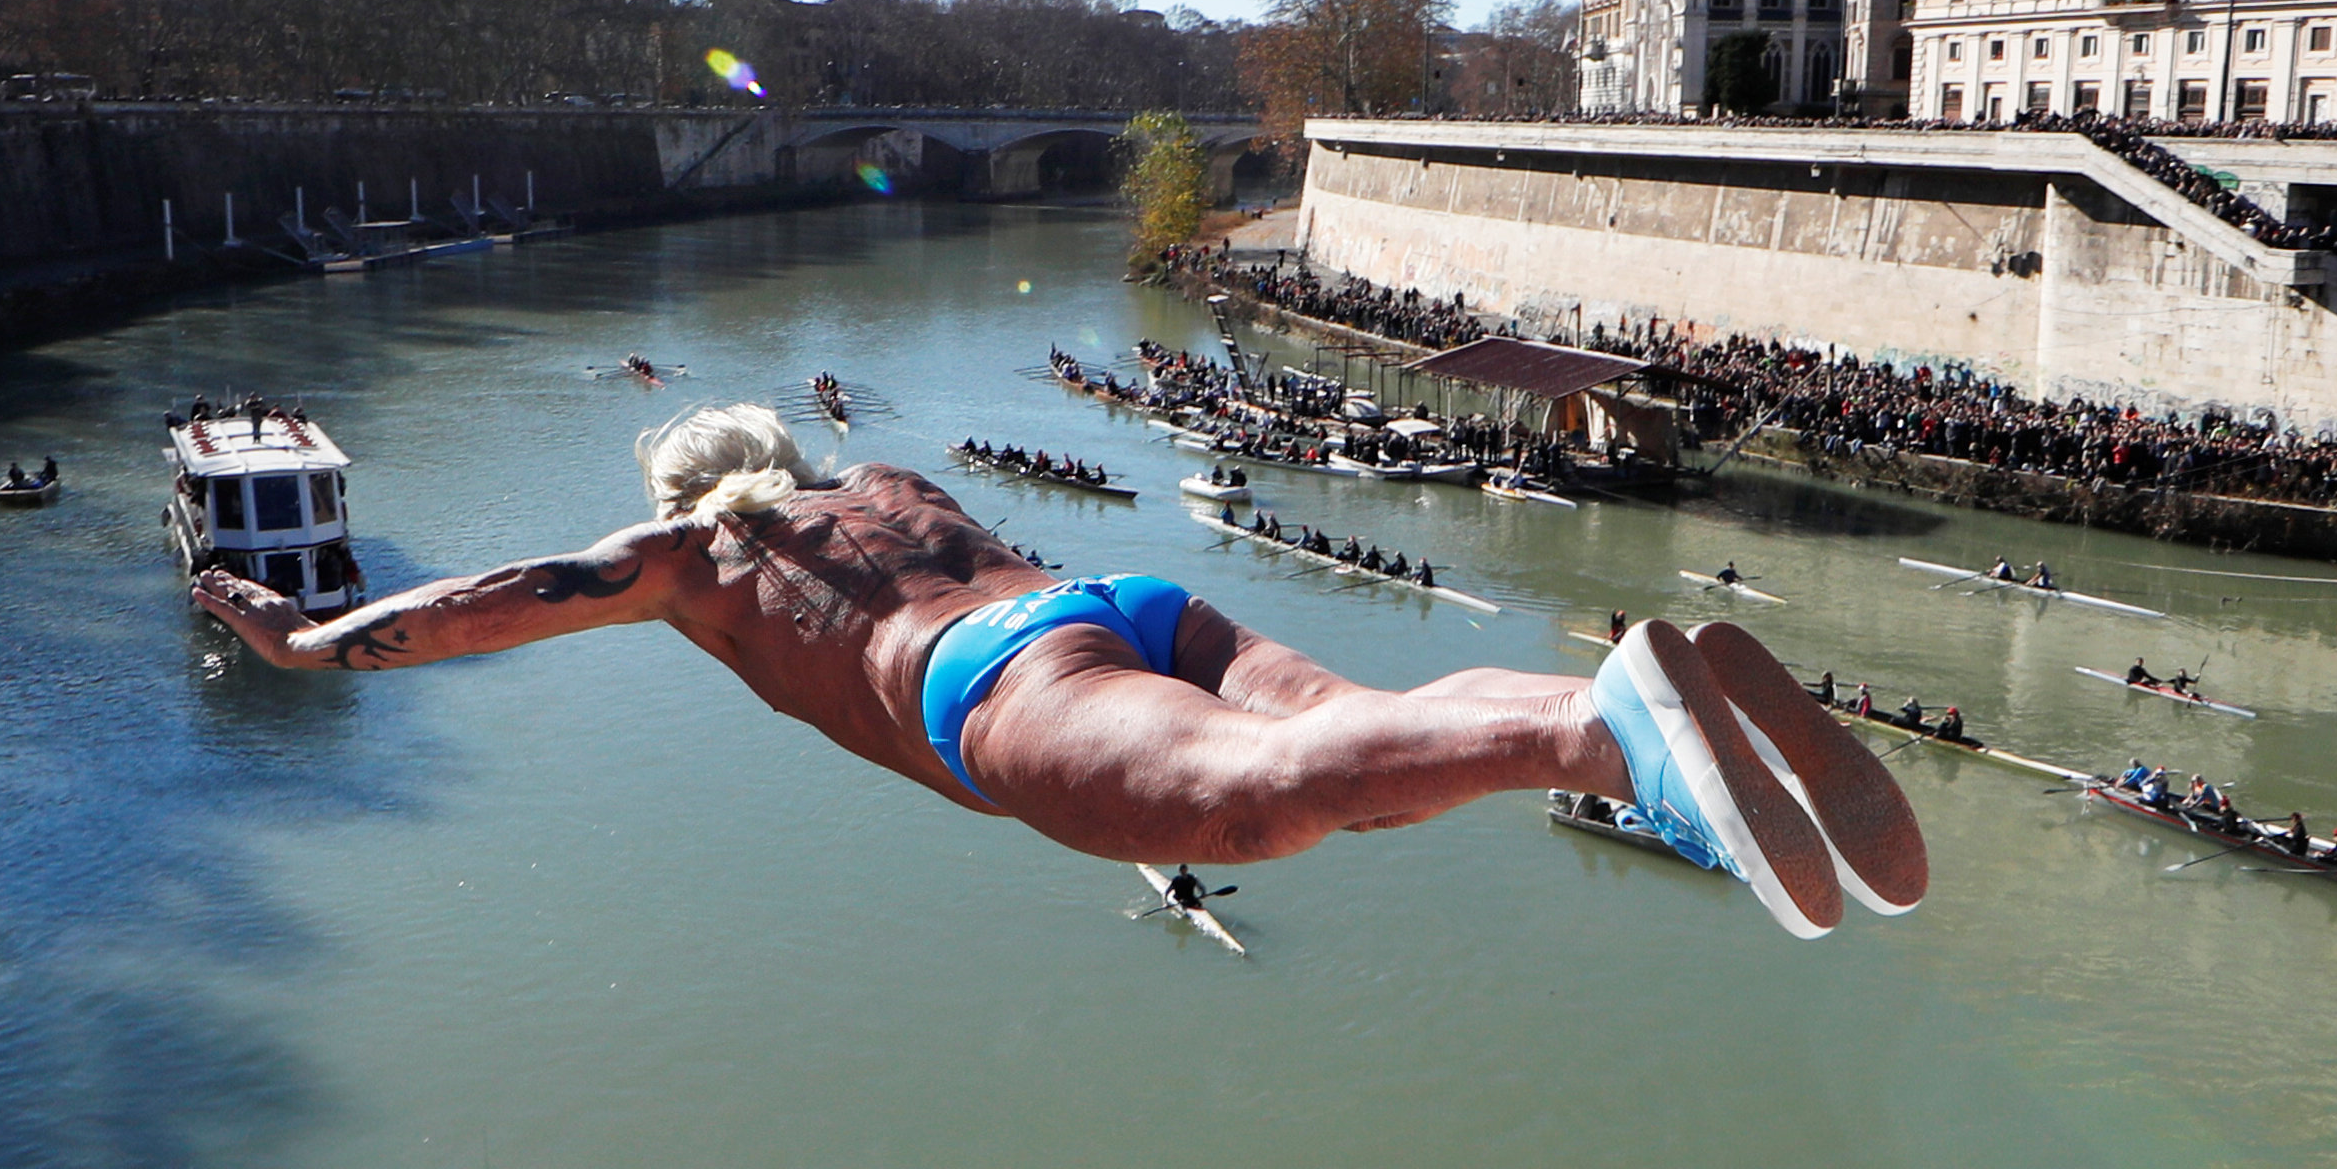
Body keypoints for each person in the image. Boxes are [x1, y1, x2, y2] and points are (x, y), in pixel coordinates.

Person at [193, 403, 1924, 940]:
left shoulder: (694, 558)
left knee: (1252, 816)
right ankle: (1619, 726)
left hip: (985, 693)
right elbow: (996, 557)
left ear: (672, 487)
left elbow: (496, 596)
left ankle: (1597, 726)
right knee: (1354, 756)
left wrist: (309, 634)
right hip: (1117, 602)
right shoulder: (879, 485)